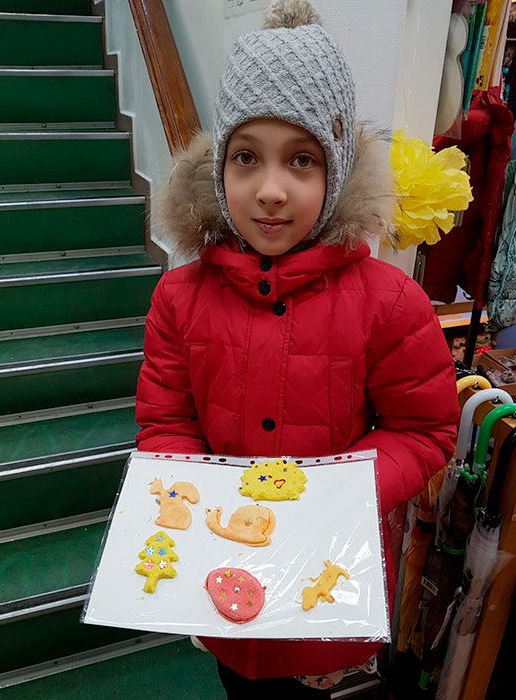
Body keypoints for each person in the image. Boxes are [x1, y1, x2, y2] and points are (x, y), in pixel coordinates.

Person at [135, 0, 459, 696]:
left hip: (324, 578)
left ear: (336, 172)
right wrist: (194, 497)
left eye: (302, 160)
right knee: (240, 686)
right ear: (219, 165)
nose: (271, 191)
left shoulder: (389, 303)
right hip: (224, 567)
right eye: (246, 157)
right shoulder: (179, 298)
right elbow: (166, 423)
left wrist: (332, 492)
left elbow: (423, 430)